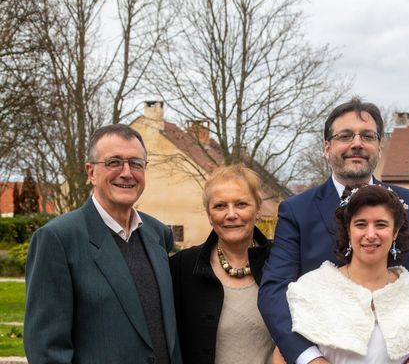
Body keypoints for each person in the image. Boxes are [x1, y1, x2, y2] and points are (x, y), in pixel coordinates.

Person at [258, 97, 409, 364]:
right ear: (327, 148)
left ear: (378, 146)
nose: (357, 144)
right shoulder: (296, 211)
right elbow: (274, 291)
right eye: (345, 136)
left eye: (367, 136)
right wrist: (309, 358)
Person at [24, 124, 181, 364]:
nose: (127, 173)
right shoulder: (58, 239)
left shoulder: (158, 234)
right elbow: (47, 350)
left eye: (136, 163)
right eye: (114, 162)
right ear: (90, 172)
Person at [287, 185, 409, 364]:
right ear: (348, 230)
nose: (370, 234)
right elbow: (282, 354)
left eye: (381, 224)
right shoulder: (312, 287)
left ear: (395, 232)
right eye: (361, 224)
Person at [170, 164, 274, 364]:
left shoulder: (282, 261)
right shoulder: (182, 268)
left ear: (258, 209)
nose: (231, 214)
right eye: (220, 206)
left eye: (241, 204)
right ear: (209, 215)